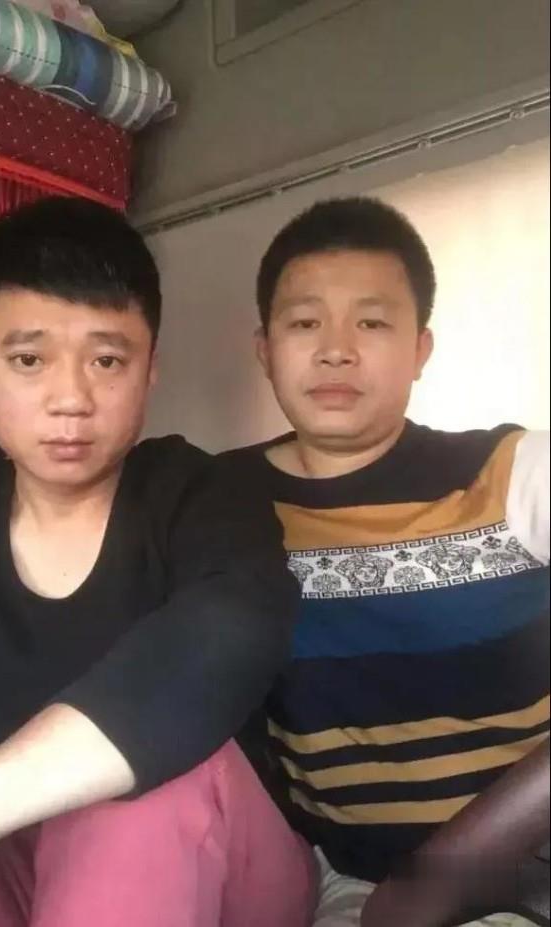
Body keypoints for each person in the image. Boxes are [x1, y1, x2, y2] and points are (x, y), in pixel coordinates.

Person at [0, 197, 316, 927]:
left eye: (106, 360)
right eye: (28, 360)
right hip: (1, 870)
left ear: (149, 369)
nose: (70, 399)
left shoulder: (197, 494)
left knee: (153, 765)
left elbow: (233, 627)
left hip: (226, 870)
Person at [236, 196, 550, 926]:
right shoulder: (218, 504)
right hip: (346, 883)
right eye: (304, 322)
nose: (336, 350)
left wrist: (438, 881)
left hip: (528, 872)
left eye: (372, 323)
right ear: (265, 349)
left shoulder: (514, 473)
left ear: (420, 349)